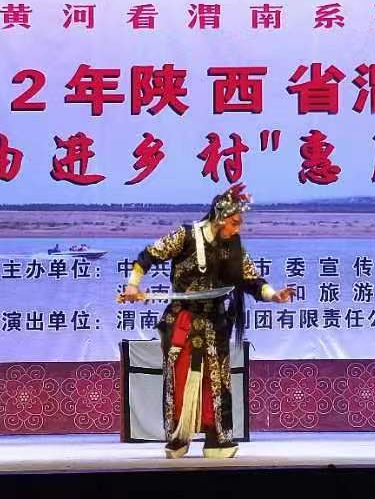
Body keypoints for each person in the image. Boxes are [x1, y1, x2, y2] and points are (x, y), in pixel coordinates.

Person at [119, 184, 293, 458]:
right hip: (183, 319)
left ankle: (217, 439)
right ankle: (179, 436)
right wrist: (133, 285)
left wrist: (274, 296)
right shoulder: (186, 235)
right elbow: (148, 256)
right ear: (220, 218)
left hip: (215, 321)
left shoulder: (232, 247)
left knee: (217, 381)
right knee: (179, 378)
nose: (237, 229)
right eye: (234, 223)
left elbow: (252, 280)